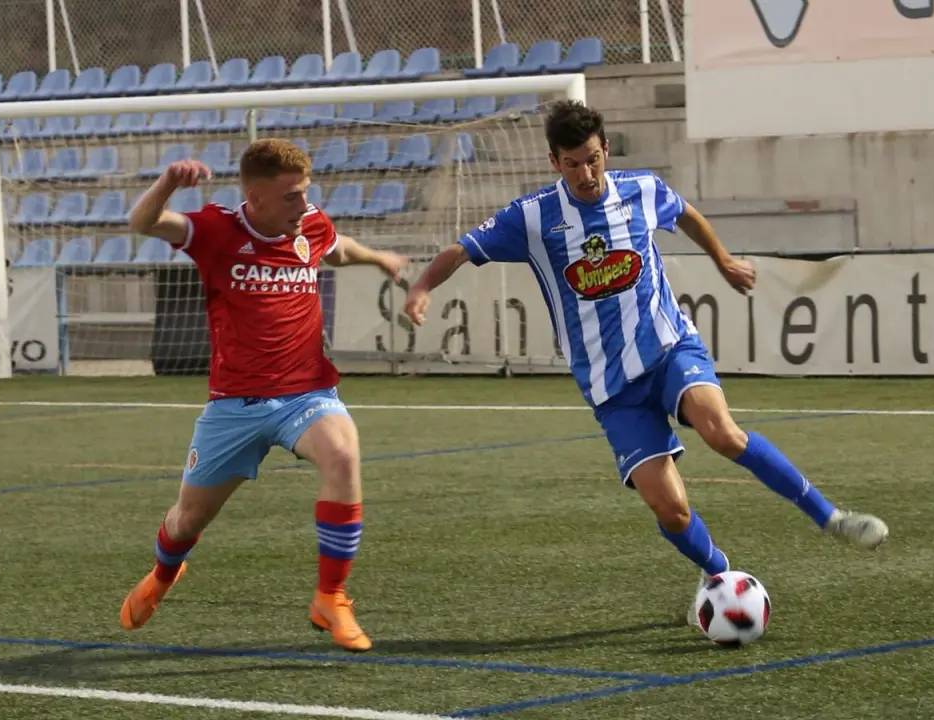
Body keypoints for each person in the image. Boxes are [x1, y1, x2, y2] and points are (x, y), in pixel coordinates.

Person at [404, 100, 887, 591]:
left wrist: (722, 260)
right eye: (572, 164)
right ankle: (719, 575)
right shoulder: (532, 218)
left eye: (592, 159)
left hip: (669, 347)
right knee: (671, 510)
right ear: (554, 162)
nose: (585, 174)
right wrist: (422, 286)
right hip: (611, 387)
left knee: (721, 432)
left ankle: (831, 518)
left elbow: (687, 214)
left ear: (605, 150)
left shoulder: (642, 190)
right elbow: (462, 250)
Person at [119, 139, 408, 653]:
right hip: (235, 404)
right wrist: (167, 183)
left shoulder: (310, 224)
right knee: (188, 520)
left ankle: (330, 597)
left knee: (343, 455)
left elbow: (338, 248)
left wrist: (377, 257)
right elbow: (144, 223)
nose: (304, 205)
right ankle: (164, 574)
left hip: (306, 393)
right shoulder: (216, 230)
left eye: (305, 193)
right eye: (291, 196)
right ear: (255, 198)